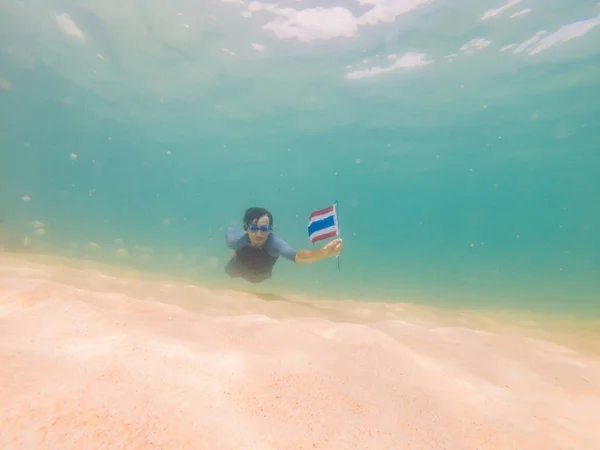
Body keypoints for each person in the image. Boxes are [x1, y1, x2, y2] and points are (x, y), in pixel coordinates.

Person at [224, 207, 343, 283]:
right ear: (246, 228)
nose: (259, 234)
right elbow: (228, 232)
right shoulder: (236, 239)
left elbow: (297, 256)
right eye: (254, 228)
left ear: (270, 230)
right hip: (235, 271)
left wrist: (322, 253)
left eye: (264, 229)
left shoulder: (274, 244)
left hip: (259, 278)